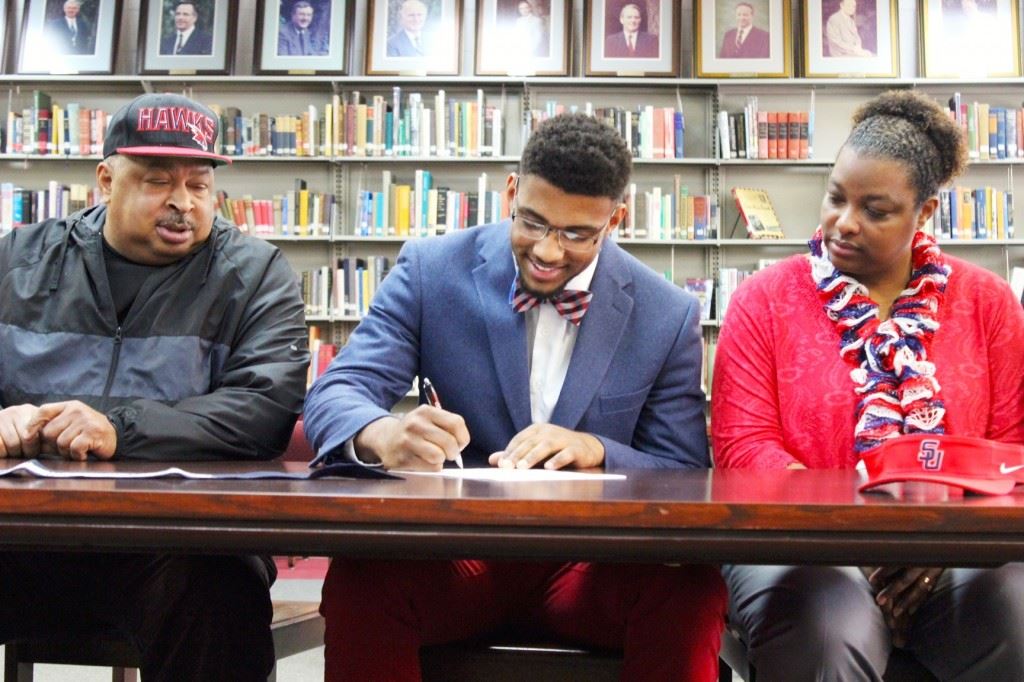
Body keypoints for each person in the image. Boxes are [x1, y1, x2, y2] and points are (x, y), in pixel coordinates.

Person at [304, 113, 727, 681]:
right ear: (510, 190)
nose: (549, 252)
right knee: (362, 578)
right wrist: (381, 433)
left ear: (615, 219)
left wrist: (595, 449)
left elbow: (684, 468)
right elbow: (338, 390)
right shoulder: (431, 270)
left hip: (595, 565)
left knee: (689, 588)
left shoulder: (666, 313)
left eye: (577, 233)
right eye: (532, 222)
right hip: (459, 555)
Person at [712, 89, 1024, 680]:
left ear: (925, 213)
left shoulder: (988, 303)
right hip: (799, 543)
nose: (843, 223)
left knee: (1015, 615)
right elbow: (743, 449)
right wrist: (863, 538)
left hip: (960, 550)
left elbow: (1011, 455)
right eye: (835, 198)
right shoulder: (763, 300)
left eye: (876, 210)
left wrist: (935, 552)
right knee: (825, 629)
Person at [0, 93, 309, 681]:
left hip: (172, 542)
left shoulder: (255, 274)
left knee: (219, 592)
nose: (181, 203)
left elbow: (263, 410)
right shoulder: (16, 262)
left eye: (199, 184)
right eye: (157, 181)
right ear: (105, 179)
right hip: (21, 535)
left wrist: (119, 427)